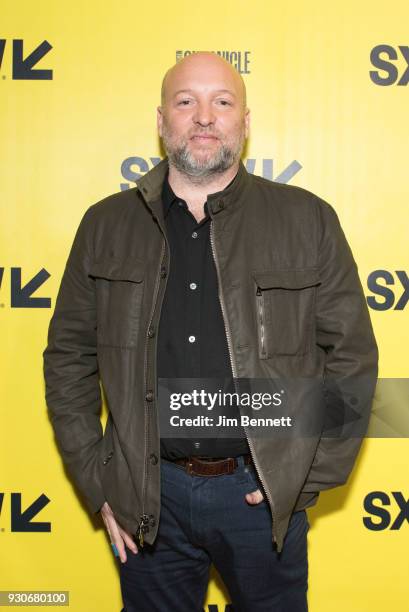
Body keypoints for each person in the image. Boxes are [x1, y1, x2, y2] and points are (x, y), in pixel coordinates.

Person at [43, 51, 378, 611]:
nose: (204, 116)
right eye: (186, 101)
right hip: (150, 499)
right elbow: (68, 360)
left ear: (244, 123)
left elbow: (352, 359)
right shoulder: (105, 225)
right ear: (160, 121)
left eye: (222, 102)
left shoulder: (307, 220)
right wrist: (99, 483)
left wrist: (305, 475)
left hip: (261, 495)